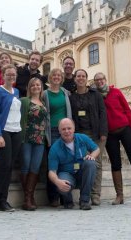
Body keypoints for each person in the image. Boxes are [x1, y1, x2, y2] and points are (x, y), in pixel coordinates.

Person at [94, 72, 131, 205]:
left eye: (101, 79)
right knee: (115, 163)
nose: (99, 82)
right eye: (97, 80)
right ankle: (119, 195)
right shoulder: (96, 96)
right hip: (110, 133)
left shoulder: (116, 92)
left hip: (125, 128)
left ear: (105, 80)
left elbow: (127, 109)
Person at [0, 64, 22, 212]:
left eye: (13, 74)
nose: (11, 76)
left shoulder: (17, 91)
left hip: (16, 131)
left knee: (9, 167)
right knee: (4, 166)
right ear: (3, 76)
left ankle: (3, 201)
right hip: (4, 130)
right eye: (8, 74)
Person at [69, 69, 108, 206]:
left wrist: (104, 132)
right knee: (84, 163)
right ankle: (84, 193)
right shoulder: (71, 97)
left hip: (96, 133)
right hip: (80, 135)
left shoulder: (95, 94)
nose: (80, 78)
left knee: (97, 163)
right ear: (75, 79)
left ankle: (95, 194)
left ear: (86, 79)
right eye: (78, 76)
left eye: (83, 76)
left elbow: (102, 113)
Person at [48, 118, 99, 210]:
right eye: (63, 129)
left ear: (74, 129)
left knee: (91, 163)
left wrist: (92, 155)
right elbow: (52, 172)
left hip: (81, 173)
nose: (67, 131)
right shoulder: (54, 148)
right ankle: (67, 201)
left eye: (69, 128)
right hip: (66, 175)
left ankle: (84, 201)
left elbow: (96, 149)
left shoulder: (82, 138)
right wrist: (57, 182)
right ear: (59, 131)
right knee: (60, 182)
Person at [43, 68, 72, 206]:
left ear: (62, 78)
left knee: (65, 162)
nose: (56, 77)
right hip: (52, 131)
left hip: (65, 131)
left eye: (59, 75)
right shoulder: (45, 94)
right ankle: (53, 197)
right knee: (53, 164)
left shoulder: (65, 93)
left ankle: (64, 195)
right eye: (54, 75)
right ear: (50, 77)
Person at [20, 77, 47, 211]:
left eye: (38, 85)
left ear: (41, 87)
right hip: (26, 137)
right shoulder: (24, 101)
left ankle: (29, 197)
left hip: (40, 139)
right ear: (29, 88)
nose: (36, 87)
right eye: (33, 85)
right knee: (26, 165)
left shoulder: (43, 102)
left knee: (35, 167)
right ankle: (28, 198)